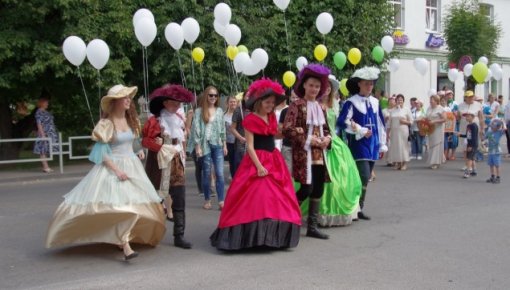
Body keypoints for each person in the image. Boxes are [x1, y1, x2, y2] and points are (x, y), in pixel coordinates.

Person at [45, 85, 165, 260]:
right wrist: (117, 171)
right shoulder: (106, 124)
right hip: (112, 168)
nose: (128, 100)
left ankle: (122, 238)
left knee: (135, 207)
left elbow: (132, 143)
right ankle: (125, 244)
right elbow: (101, 153)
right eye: (124, 97)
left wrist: (136, 151)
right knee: (122, 208)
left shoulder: (132, 120)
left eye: (128, 97)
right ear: (115, 102)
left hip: (132, 166)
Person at [210, 78, 301, 250]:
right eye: (267, 102)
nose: (270, 105)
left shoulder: (272, 116)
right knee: (258, 197)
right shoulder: (251, 119)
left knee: (277, 198)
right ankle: (253, 236)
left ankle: (272, 236)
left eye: (273, 103)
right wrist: (259, 166)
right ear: (259, 102)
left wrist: (291, 133)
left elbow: (273, 136)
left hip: (274, 159)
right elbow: (250, 146)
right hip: (257, 160)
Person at [300, 75, 362, 226]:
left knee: (340, 178)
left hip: (333, 142)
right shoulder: (313, 105)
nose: (327, 89)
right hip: (316, 144)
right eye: (325, 86)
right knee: (312, 182)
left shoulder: (333, 105)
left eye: (330, 87)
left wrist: (352, 126)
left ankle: (322, 217)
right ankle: (309, 216)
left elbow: (336, 126)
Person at [142, 84, 194, 249]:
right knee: (155, 198)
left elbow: (182, 139)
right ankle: (150, 232)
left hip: (176, 159)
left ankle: (179, 235)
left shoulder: (179, 119)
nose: (178, 106)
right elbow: (145, 141)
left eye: (179, 103)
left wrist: (183, 155)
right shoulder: (154, 121)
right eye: (174, 103)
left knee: (179, 196)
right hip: (158, 162)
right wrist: (157, 144)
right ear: (165, 103)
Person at [283, 63, 332, 239]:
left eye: (317, 86)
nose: (314, 89)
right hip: (304, 154)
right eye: (311, 85)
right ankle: (289, 219)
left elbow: (326, 129)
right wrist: (307, 139)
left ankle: (312, 227)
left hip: (319, 155)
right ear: (304, 85)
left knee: (318, 189)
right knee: (306, 188)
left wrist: (327, 139)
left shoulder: (320, 107)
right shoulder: (296, 105)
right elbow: (287, 129)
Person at [337, 66, 387, 221]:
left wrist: (382, 142)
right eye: (366, 83)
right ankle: (354, 207)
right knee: (363, 175)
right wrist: (359, 129)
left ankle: (359, 207)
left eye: (371, 83)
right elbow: (343, 121)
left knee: (365, 178)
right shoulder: (351, 102)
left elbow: (380, 123)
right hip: (358, 144)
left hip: (373, 144)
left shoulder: (375, 102)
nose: (369, 86)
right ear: (359, 84)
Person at [191, 86, 227, 210]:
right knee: (206, 173)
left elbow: (222, 129)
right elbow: (196, 129)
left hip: (217, 144)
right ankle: (207, 199)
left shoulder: (220, 111)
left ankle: (221, 201)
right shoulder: (198, 111)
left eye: (215, 95)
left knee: (220, 173)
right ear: (206, 96)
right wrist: (197, 146)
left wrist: (225, 144)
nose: (213, 98)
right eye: (211, 95)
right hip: (204, 145)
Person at [457, 90, 484, 175]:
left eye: (471, 96)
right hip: (464, 125)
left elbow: (481, 117)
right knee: (465, 146)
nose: (470, 98)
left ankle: (471, 164)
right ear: (465, 97)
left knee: (472, 145)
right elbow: (458, 117)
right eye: (468, 97)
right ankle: (467, 163)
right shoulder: (461, 105)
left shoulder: (478, 105)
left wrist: (482, 129)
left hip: (474, 126)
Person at [33, 95, 58, 173]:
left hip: (50, 133)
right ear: (42, 103)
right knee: (43, 150)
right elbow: (39, 124)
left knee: (46, 150)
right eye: (46, 103)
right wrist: (43, 134)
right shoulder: (39, 112)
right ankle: (45, 167)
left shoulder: (46, 112)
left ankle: (46, 166)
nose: (47, 104)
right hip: (44, 133)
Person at [387, 94, 412, 170]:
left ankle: (404, 163)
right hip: (394, 131)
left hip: (403, 130)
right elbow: (389, 123)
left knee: (403, 146)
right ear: (396, 101)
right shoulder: (392, 110)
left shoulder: (406, 110)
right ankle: (398, 163)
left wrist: (405, 122)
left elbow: (411, 121)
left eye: (401, 100)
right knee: (396, 147)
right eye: (398, 100)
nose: (399, 101)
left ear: (403, 101)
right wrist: (388, 133)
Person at [278, 91, 299, 174]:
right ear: (290, 98)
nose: (295, 99)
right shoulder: (285, 111)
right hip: (287, 145)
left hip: (300, 146)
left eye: (297, 97)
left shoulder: (304, 110)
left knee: (299, 172)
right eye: (293, 97)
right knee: (287, 171)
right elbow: (280, 127)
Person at [230, 92, 250, 176]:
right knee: (242, 167)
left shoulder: (257, 110)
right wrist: (240, 138)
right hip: (242, 143)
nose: (249, 97)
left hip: (255, 143)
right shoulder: (238, 110)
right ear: (244, 97)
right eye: (247, 95)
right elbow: (232, 128)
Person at [425, 95, 446, 169]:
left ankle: (436, 162)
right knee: (431, 144)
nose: (431, 101)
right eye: (430, 100)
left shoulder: (441, 109)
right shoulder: (428, 108)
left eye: (432, 100)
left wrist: (435, 121)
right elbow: (426, 117)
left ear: (436, 101)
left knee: (436, 144)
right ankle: (431, 161)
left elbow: (444, 119)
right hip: (430, 128)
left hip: (438, 128)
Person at [456, 112, 479, 179]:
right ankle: (474, 171)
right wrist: (460, 135)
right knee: (472, 158)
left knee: (469, 158)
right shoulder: (468, 125)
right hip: (469, 143)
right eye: (466, 116)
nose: (466, 118)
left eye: (468, 116)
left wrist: (471, 146)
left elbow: (474, 137)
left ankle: (467, 172)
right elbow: (467, 135)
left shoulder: (474, 126)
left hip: (473, 144)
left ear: (473, 117)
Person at [484, 119, 504, 183]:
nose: (493, 128)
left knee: (497, 165)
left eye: (495, 126)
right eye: (492, 126)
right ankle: (492, 176)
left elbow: (504, 129)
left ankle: (498, 177)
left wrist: (502, 122)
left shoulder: (499, 132)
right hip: (490, 151)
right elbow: (484, 138)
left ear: (498, 127)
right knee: (491, 164)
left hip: (497, 151)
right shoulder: (489, 132)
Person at [224, 96, 238, 179]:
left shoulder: (239, 114)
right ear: (227, 103)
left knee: (239, 161)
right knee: (232, 161)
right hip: (229, 142)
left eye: (234, 102)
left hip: (239, 141)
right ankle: (234, 178)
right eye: (231, 102)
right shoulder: (223, 116)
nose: (233, 103)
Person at [445, 90, 459, 160]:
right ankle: (446, 154)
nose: (449, 96)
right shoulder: (444, 103)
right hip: (446, 123)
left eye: (450, 95)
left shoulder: (455, 104)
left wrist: (454, 113)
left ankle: (453, 154)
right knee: (447, 138)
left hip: (453, 122)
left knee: (454, 139)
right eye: (448, 95)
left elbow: (456, 114)